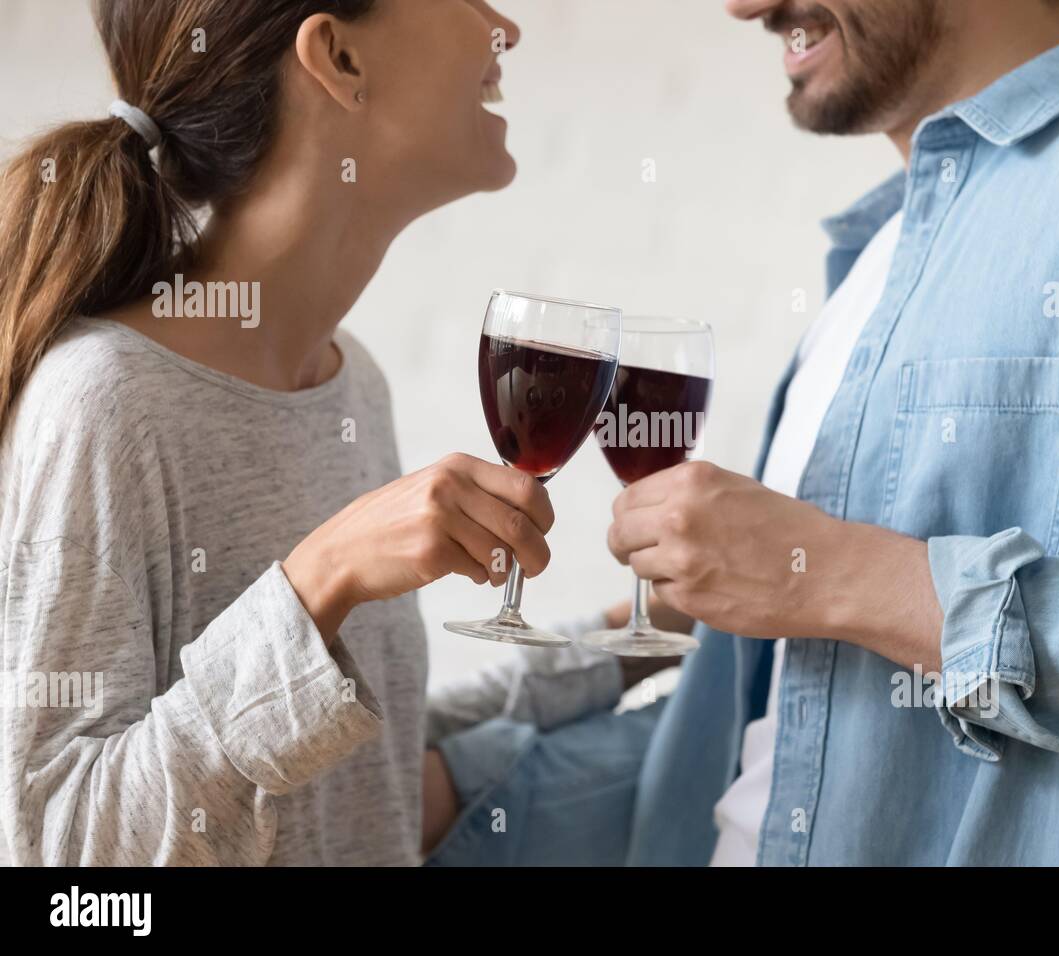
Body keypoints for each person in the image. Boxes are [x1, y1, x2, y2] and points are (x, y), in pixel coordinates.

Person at [426, 0, 1059, 866]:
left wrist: (835, 574)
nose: (747, 7)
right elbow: (789, 738)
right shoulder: (878, 250)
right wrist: (451, 791)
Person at [0, 0, 633, 866]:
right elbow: (60, 858)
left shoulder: (350, 383)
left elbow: (354, 767)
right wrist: (318, 581)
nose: (504, 29)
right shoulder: (105, 399)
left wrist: (625, 642)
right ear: (338, 57)